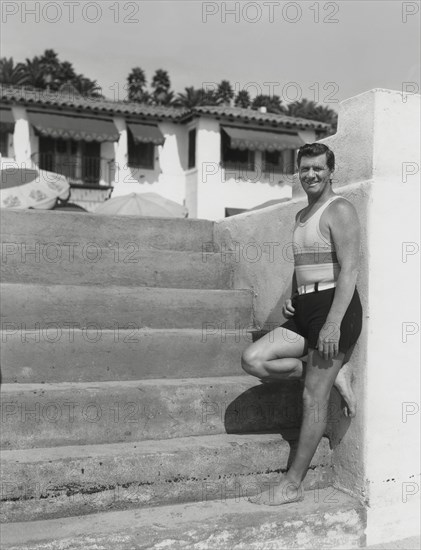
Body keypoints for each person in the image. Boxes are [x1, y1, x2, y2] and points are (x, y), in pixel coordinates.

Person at [241, 142, 363, 506]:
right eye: (305, 168)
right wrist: (294, 295)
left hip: (332, 311)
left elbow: (351, 269)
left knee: (313, 397)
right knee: (253, 359)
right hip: (305, 310)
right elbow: (302, 264)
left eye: (318, 168)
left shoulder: (339, 209)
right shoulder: (301, 215)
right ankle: (330, 372)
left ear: (331, 171)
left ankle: (293, 484)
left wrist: (332, 325)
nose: (311, 174)